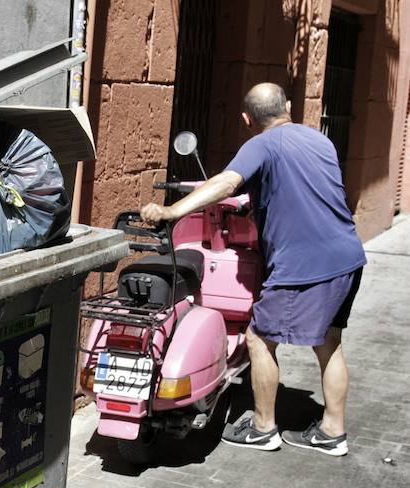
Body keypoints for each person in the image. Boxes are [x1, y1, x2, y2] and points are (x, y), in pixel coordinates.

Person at [140, 83, 366, 457]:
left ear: (247, 119)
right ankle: (332, 432)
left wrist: (171, 211)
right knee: (329, 343)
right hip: (347, 256)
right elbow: (301, 189)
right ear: (289, 107)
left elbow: (227, 182)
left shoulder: (261, 144)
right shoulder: (319, 140)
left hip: (304, 264)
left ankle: (263, 428)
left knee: (258, 338)